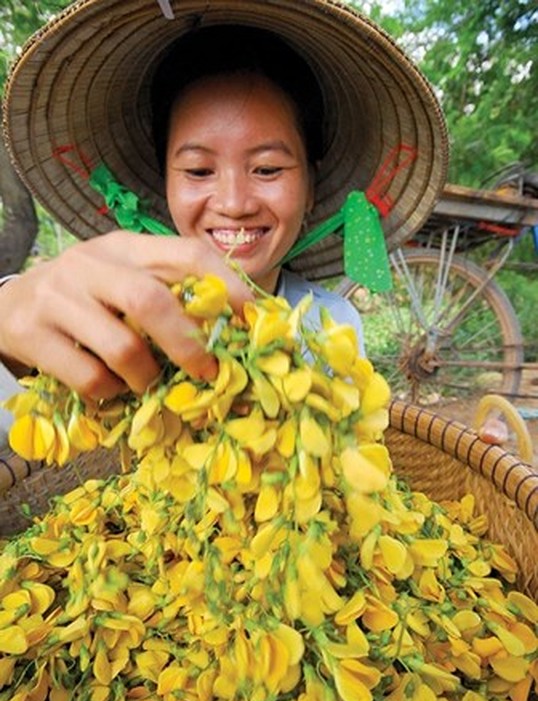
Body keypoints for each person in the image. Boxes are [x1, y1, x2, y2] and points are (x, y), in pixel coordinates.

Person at [0, 0, 448, 439]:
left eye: (268, 169)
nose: (234, 203)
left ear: (311, 188)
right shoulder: (118, 314)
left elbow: (356, 446)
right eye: (198, 171)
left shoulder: (334, 326)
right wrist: (9, 316)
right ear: (166, 186)